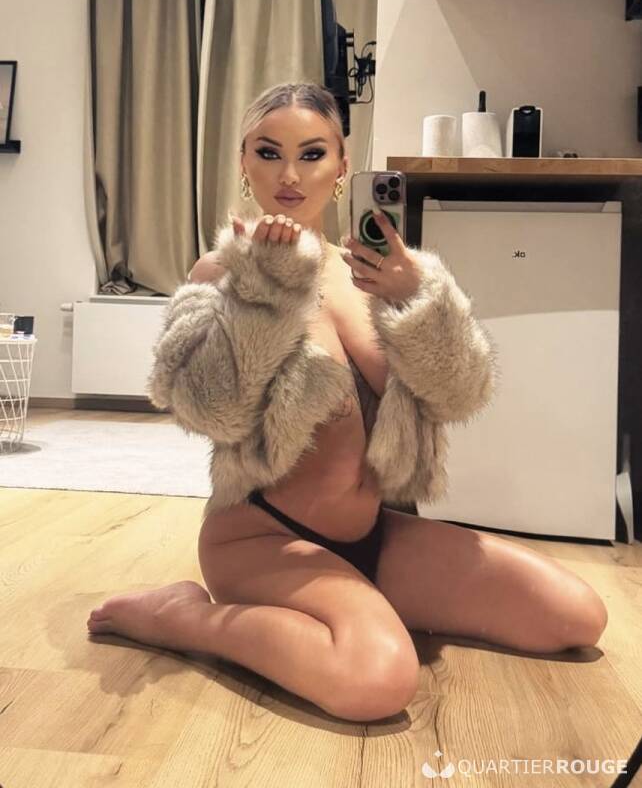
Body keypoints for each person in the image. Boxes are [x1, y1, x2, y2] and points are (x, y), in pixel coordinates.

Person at [86, 81, 608, 722]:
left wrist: (420, 299)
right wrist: (265, 290)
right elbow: (206, 407)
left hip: (374, 533)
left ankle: (354, 606)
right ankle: (185, 616)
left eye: (312, 154)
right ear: (243, 161)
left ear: (341, 166)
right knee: (377, 682)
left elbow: (461, 394)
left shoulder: (377, 273)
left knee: (575, 616)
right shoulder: (220, 273)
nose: (289, 175)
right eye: (268, 152)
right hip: (261, 539)